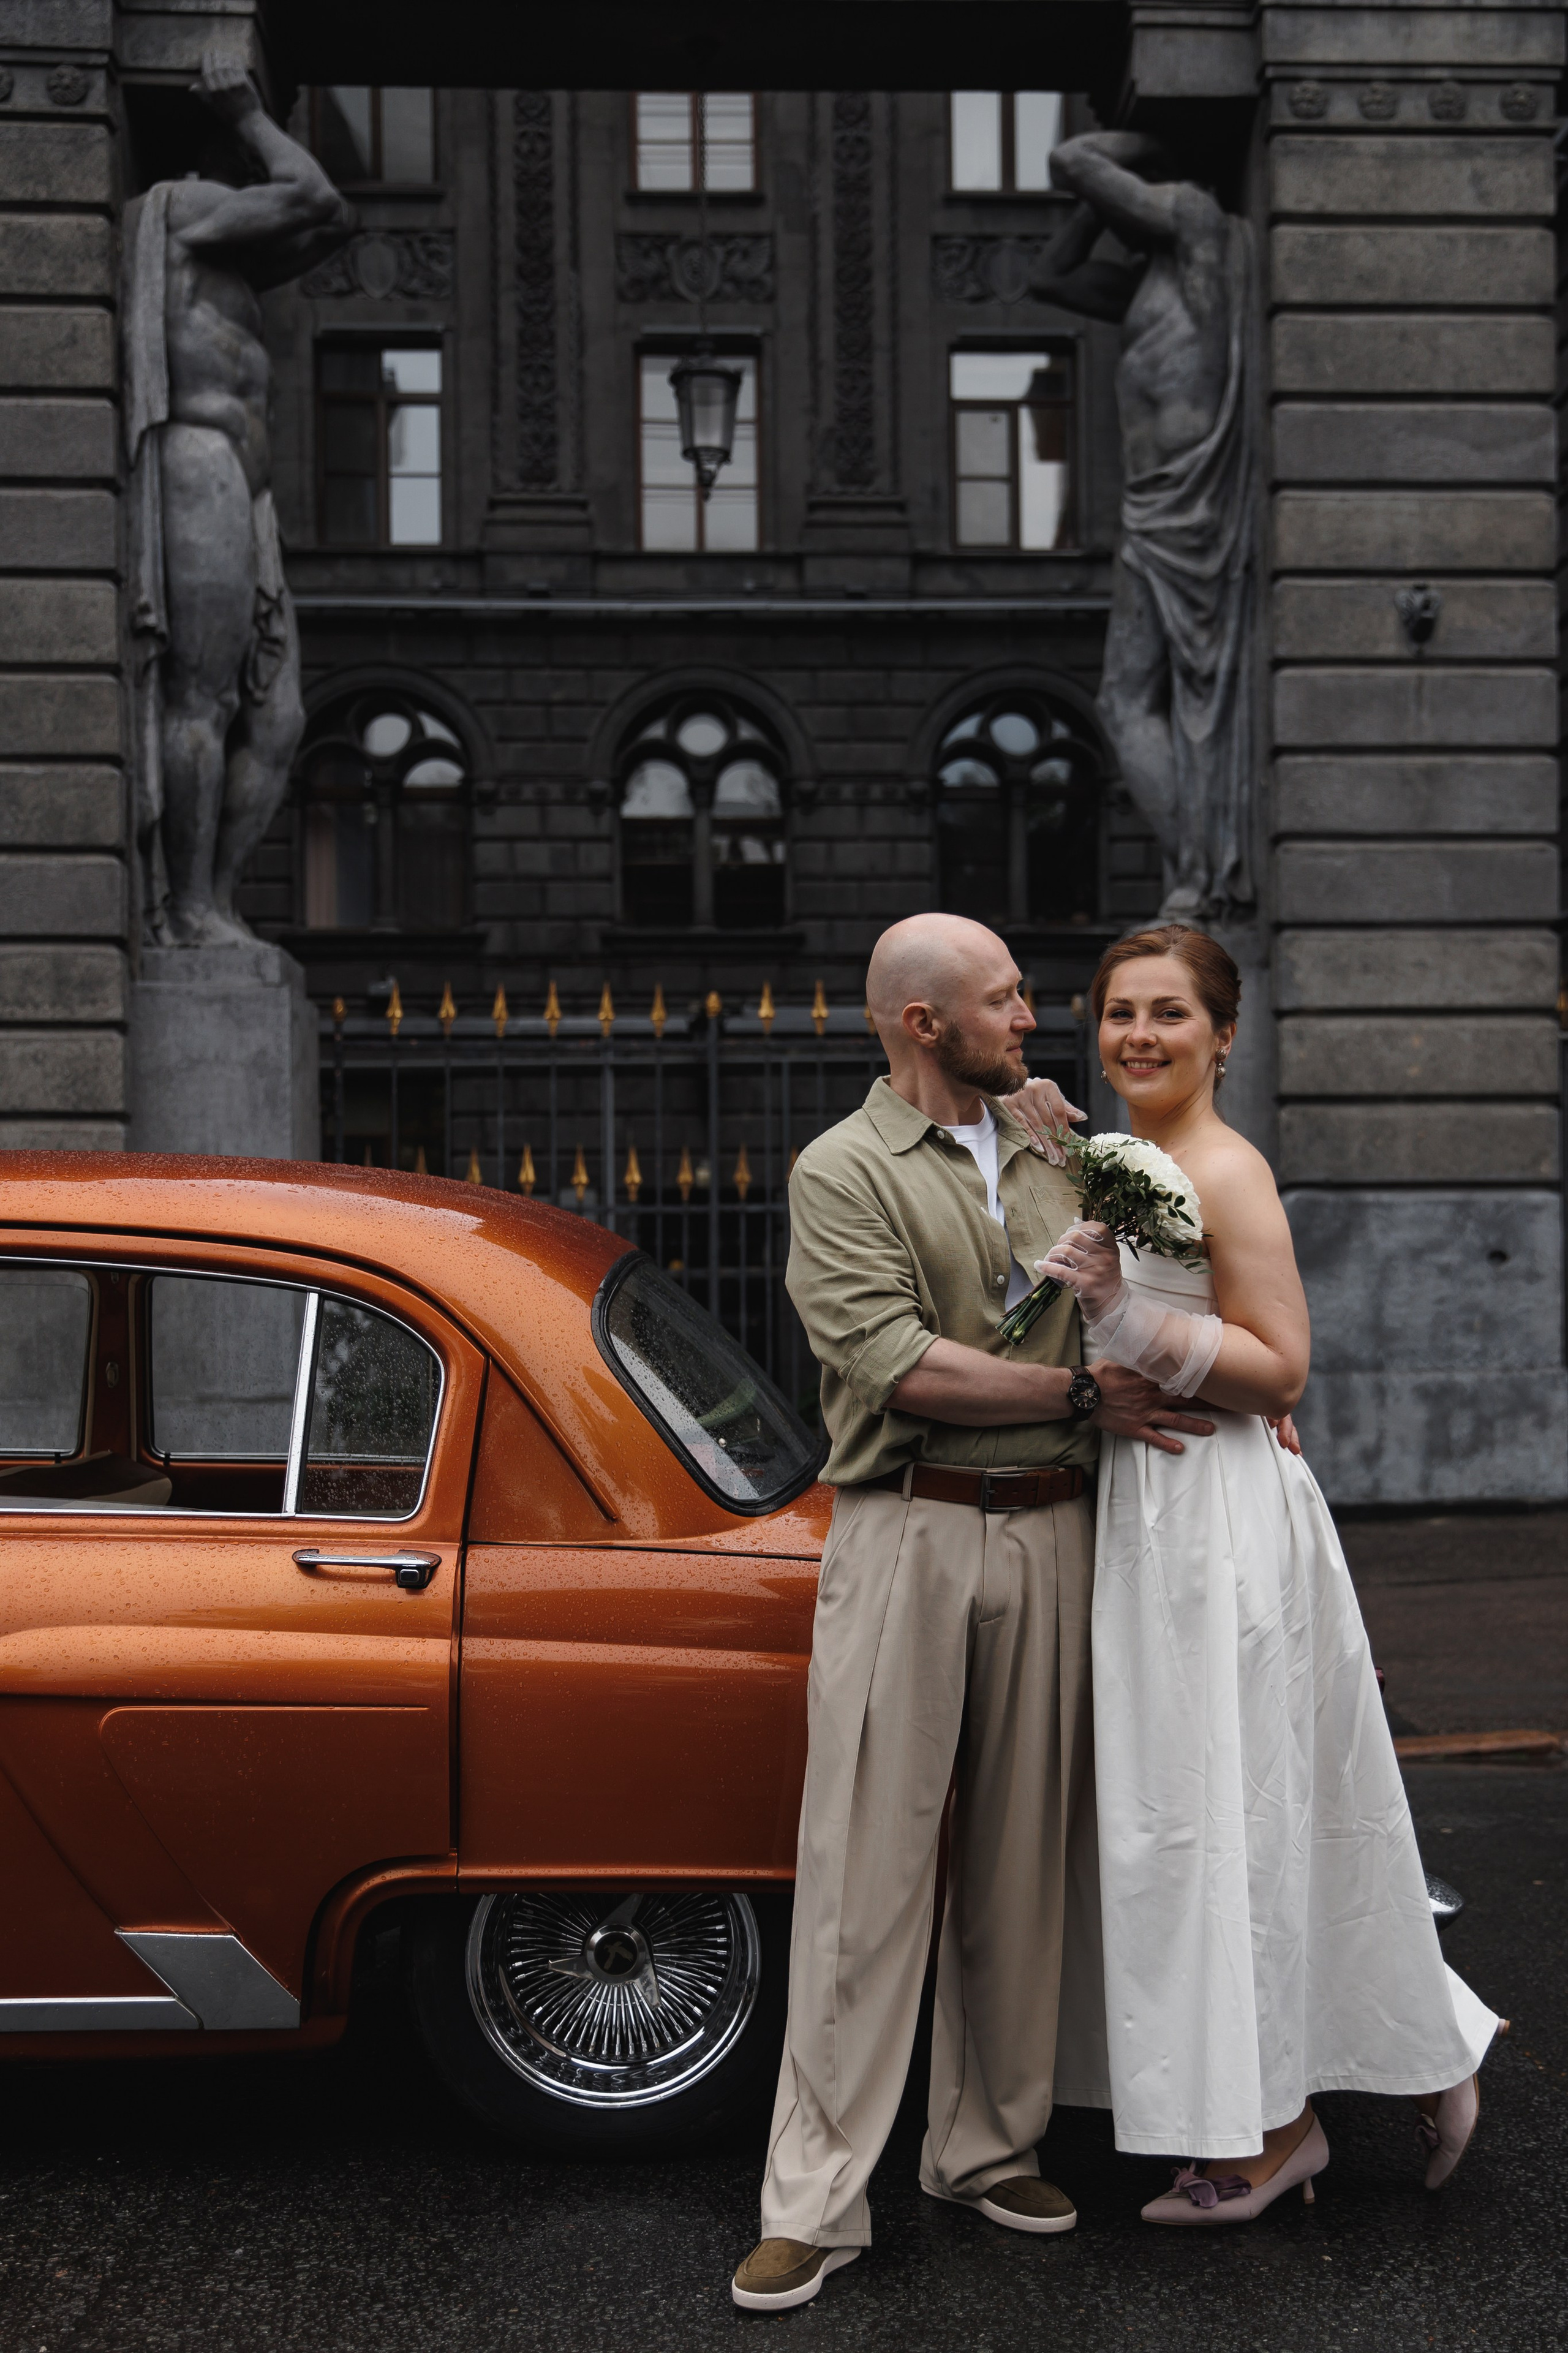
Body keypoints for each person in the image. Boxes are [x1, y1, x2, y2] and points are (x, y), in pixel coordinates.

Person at [730, 912, 1215, 2312]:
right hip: (910, 1531)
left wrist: (1246, 1396)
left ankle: (983, 2148)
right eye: (1001, 1000)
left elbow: (1167, 1288)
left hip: (1059, 1535)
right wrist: (1079, 1394)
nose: (1031, 1015)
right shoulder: (841, 1170)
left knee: (1019, 1865)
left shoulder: (1064, 1146)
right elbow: (894, 1363)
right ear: (920, 1022)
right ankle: (812, 2201)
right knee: (861, 1885)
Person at [1036, 923, 1501, 2220]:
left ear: (1222, 1035)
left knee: (1222, 1815)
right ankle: (1409, 2051)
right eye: (1118, 1011)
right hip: (1148, 1501)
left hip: (1214, 1521)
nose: (1137, 1034)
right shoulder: (1120, 1159)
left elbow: (1280, 1367)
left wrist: (1125, 1321)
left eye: (1168, 1014)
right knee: (1197, 1814)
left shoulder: (1223, 1171)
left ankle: (1277, 2127)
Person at [124, 53, 353, 945]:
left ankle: (212, 896)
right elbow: (318, 198)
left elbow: (335, 222)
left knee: (280, 717)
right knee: (203, 698)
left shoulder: (228, 252)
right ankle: (188, 909)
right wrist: (254, 114)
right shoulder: (179, 210)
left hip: (246, 493)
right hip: (196, 462)